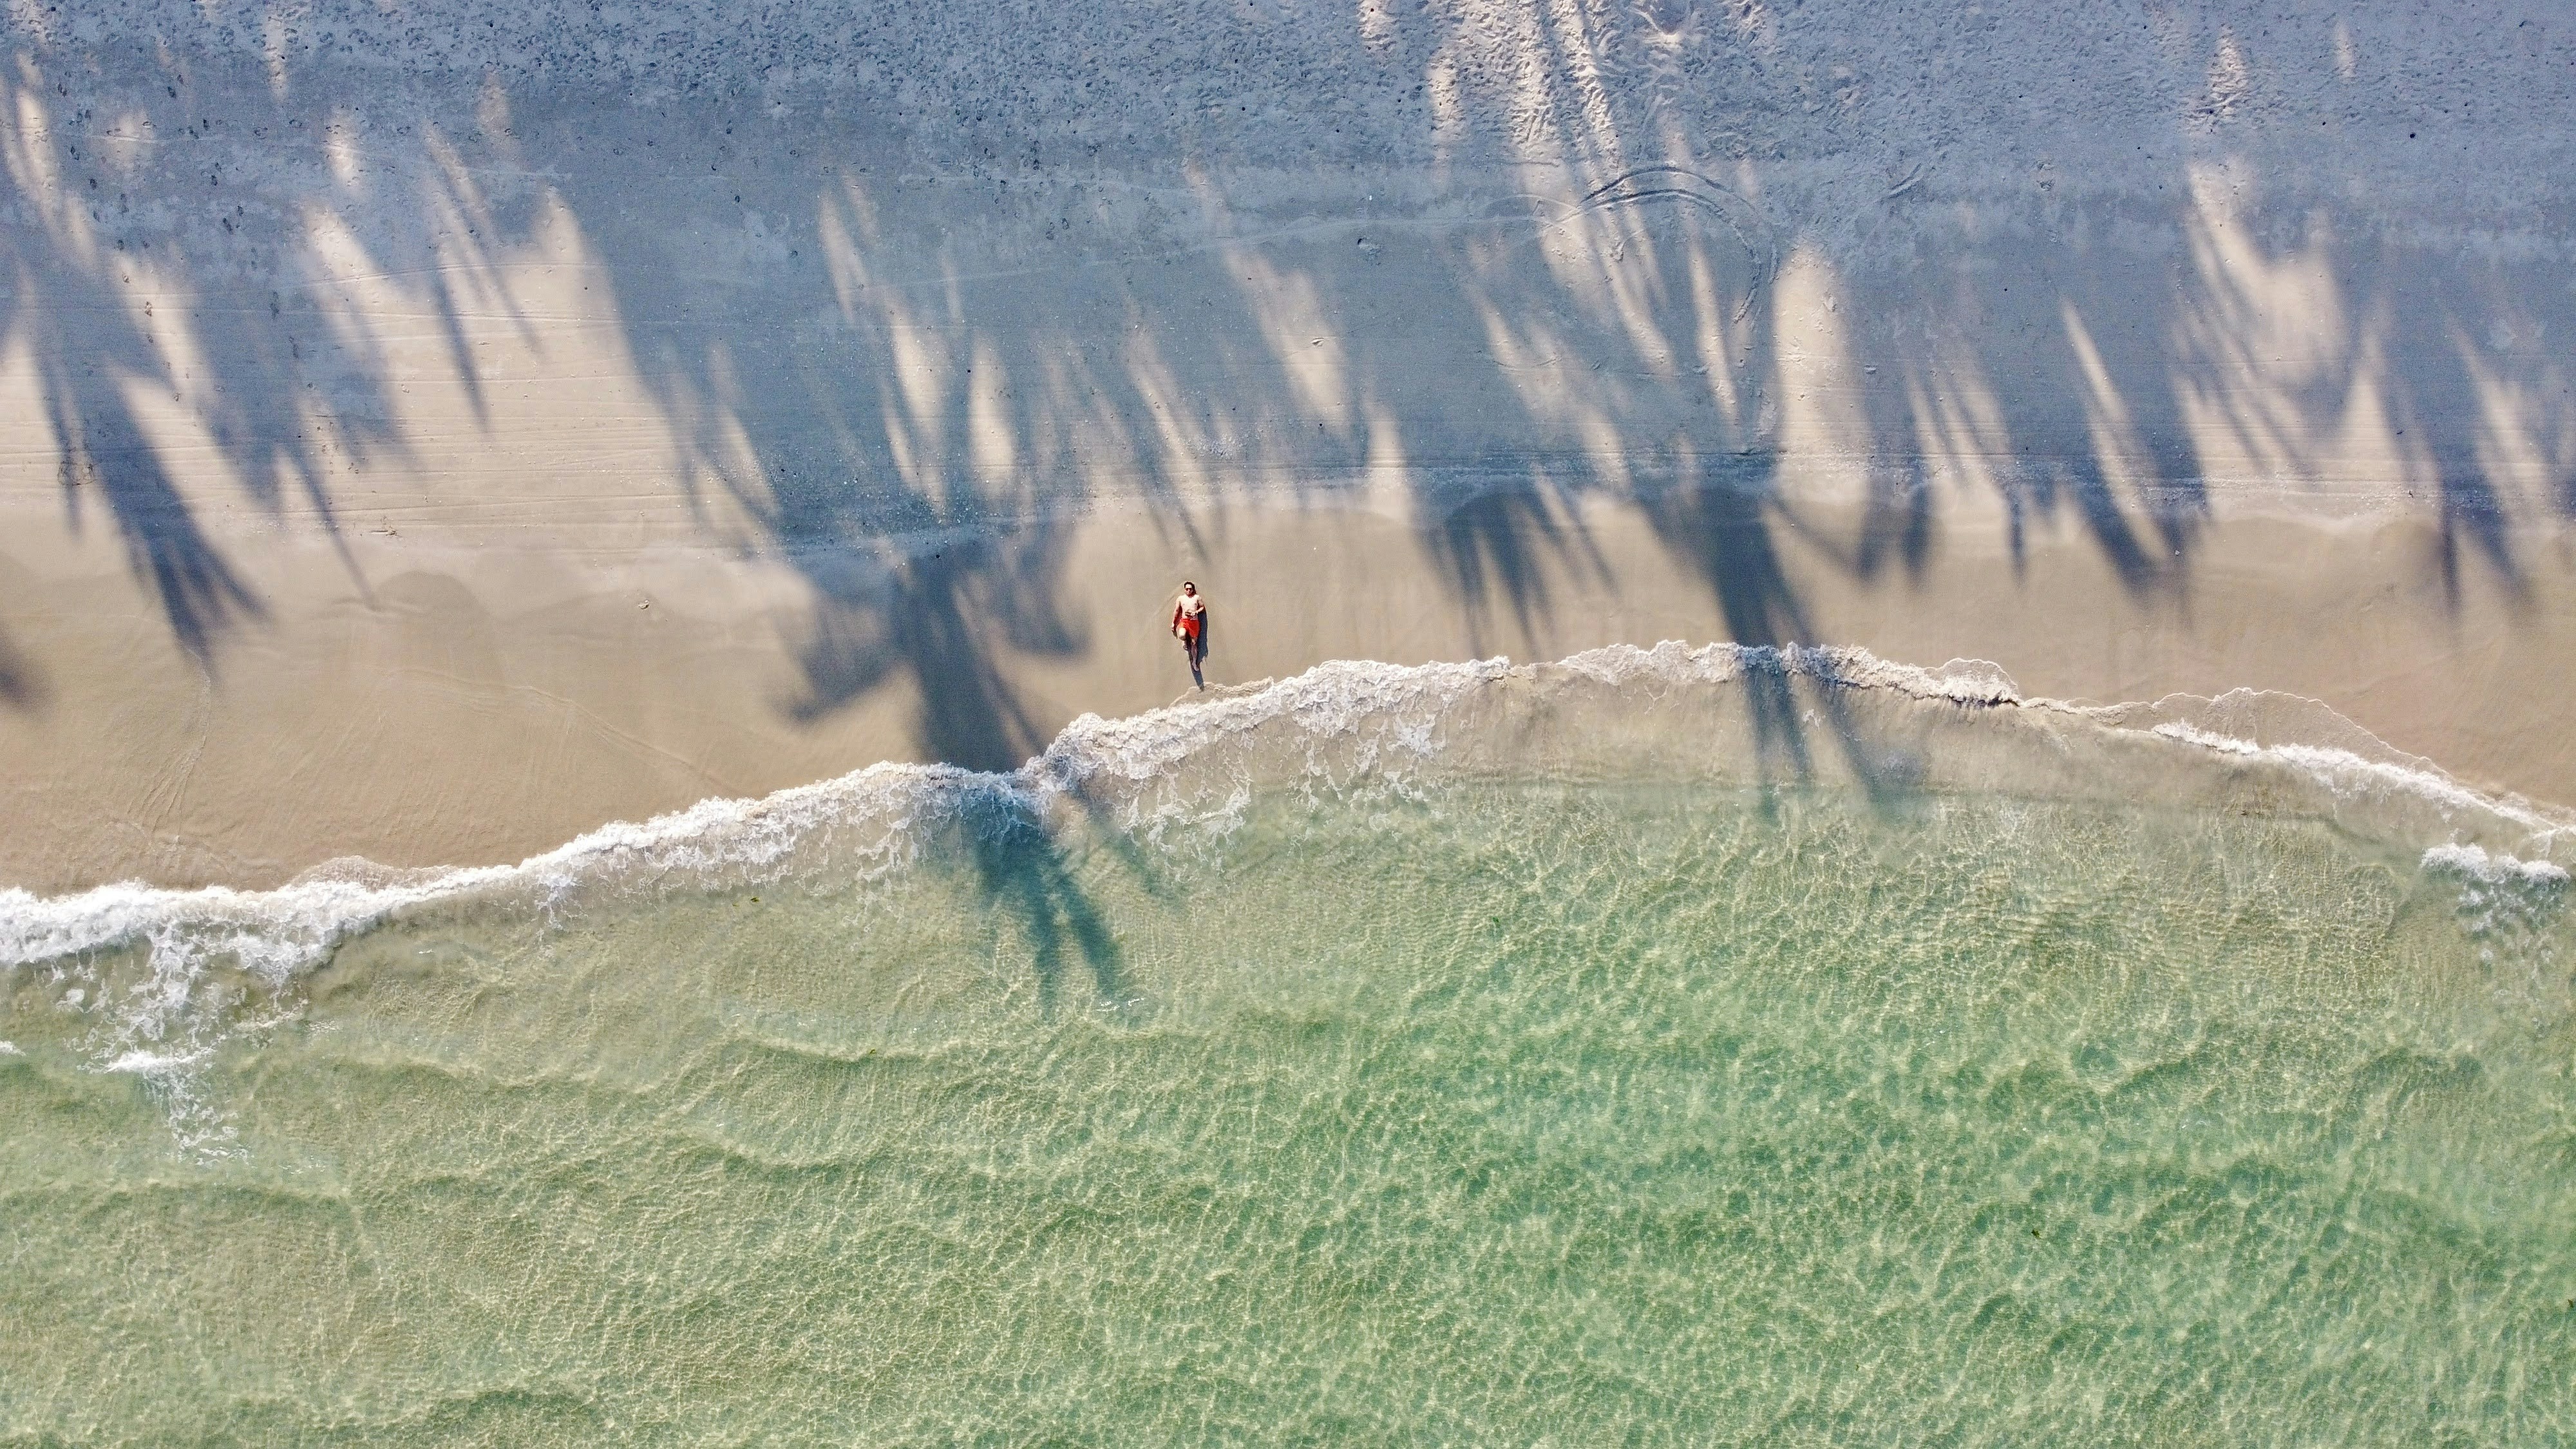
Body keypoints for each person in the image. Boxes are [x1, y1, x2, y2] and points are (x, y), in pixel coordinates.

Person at [1170, 581, 1208, 688]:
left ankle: (1195, 663)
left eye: (1190, 589)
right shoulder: (1181, 599)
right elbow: (1177, 610)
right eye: (1187, 589)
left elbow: (1202, 608)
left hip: (1194, 622)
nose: (1189, 591)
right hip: (1185, 621)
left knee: (1194, 644)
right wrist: (1173, 622)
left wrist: (1196, 612)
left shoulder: (1197, 598)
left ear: (1193, 589)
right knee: (1182, 635)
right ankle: (1184, 640)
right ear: (1184, 589)